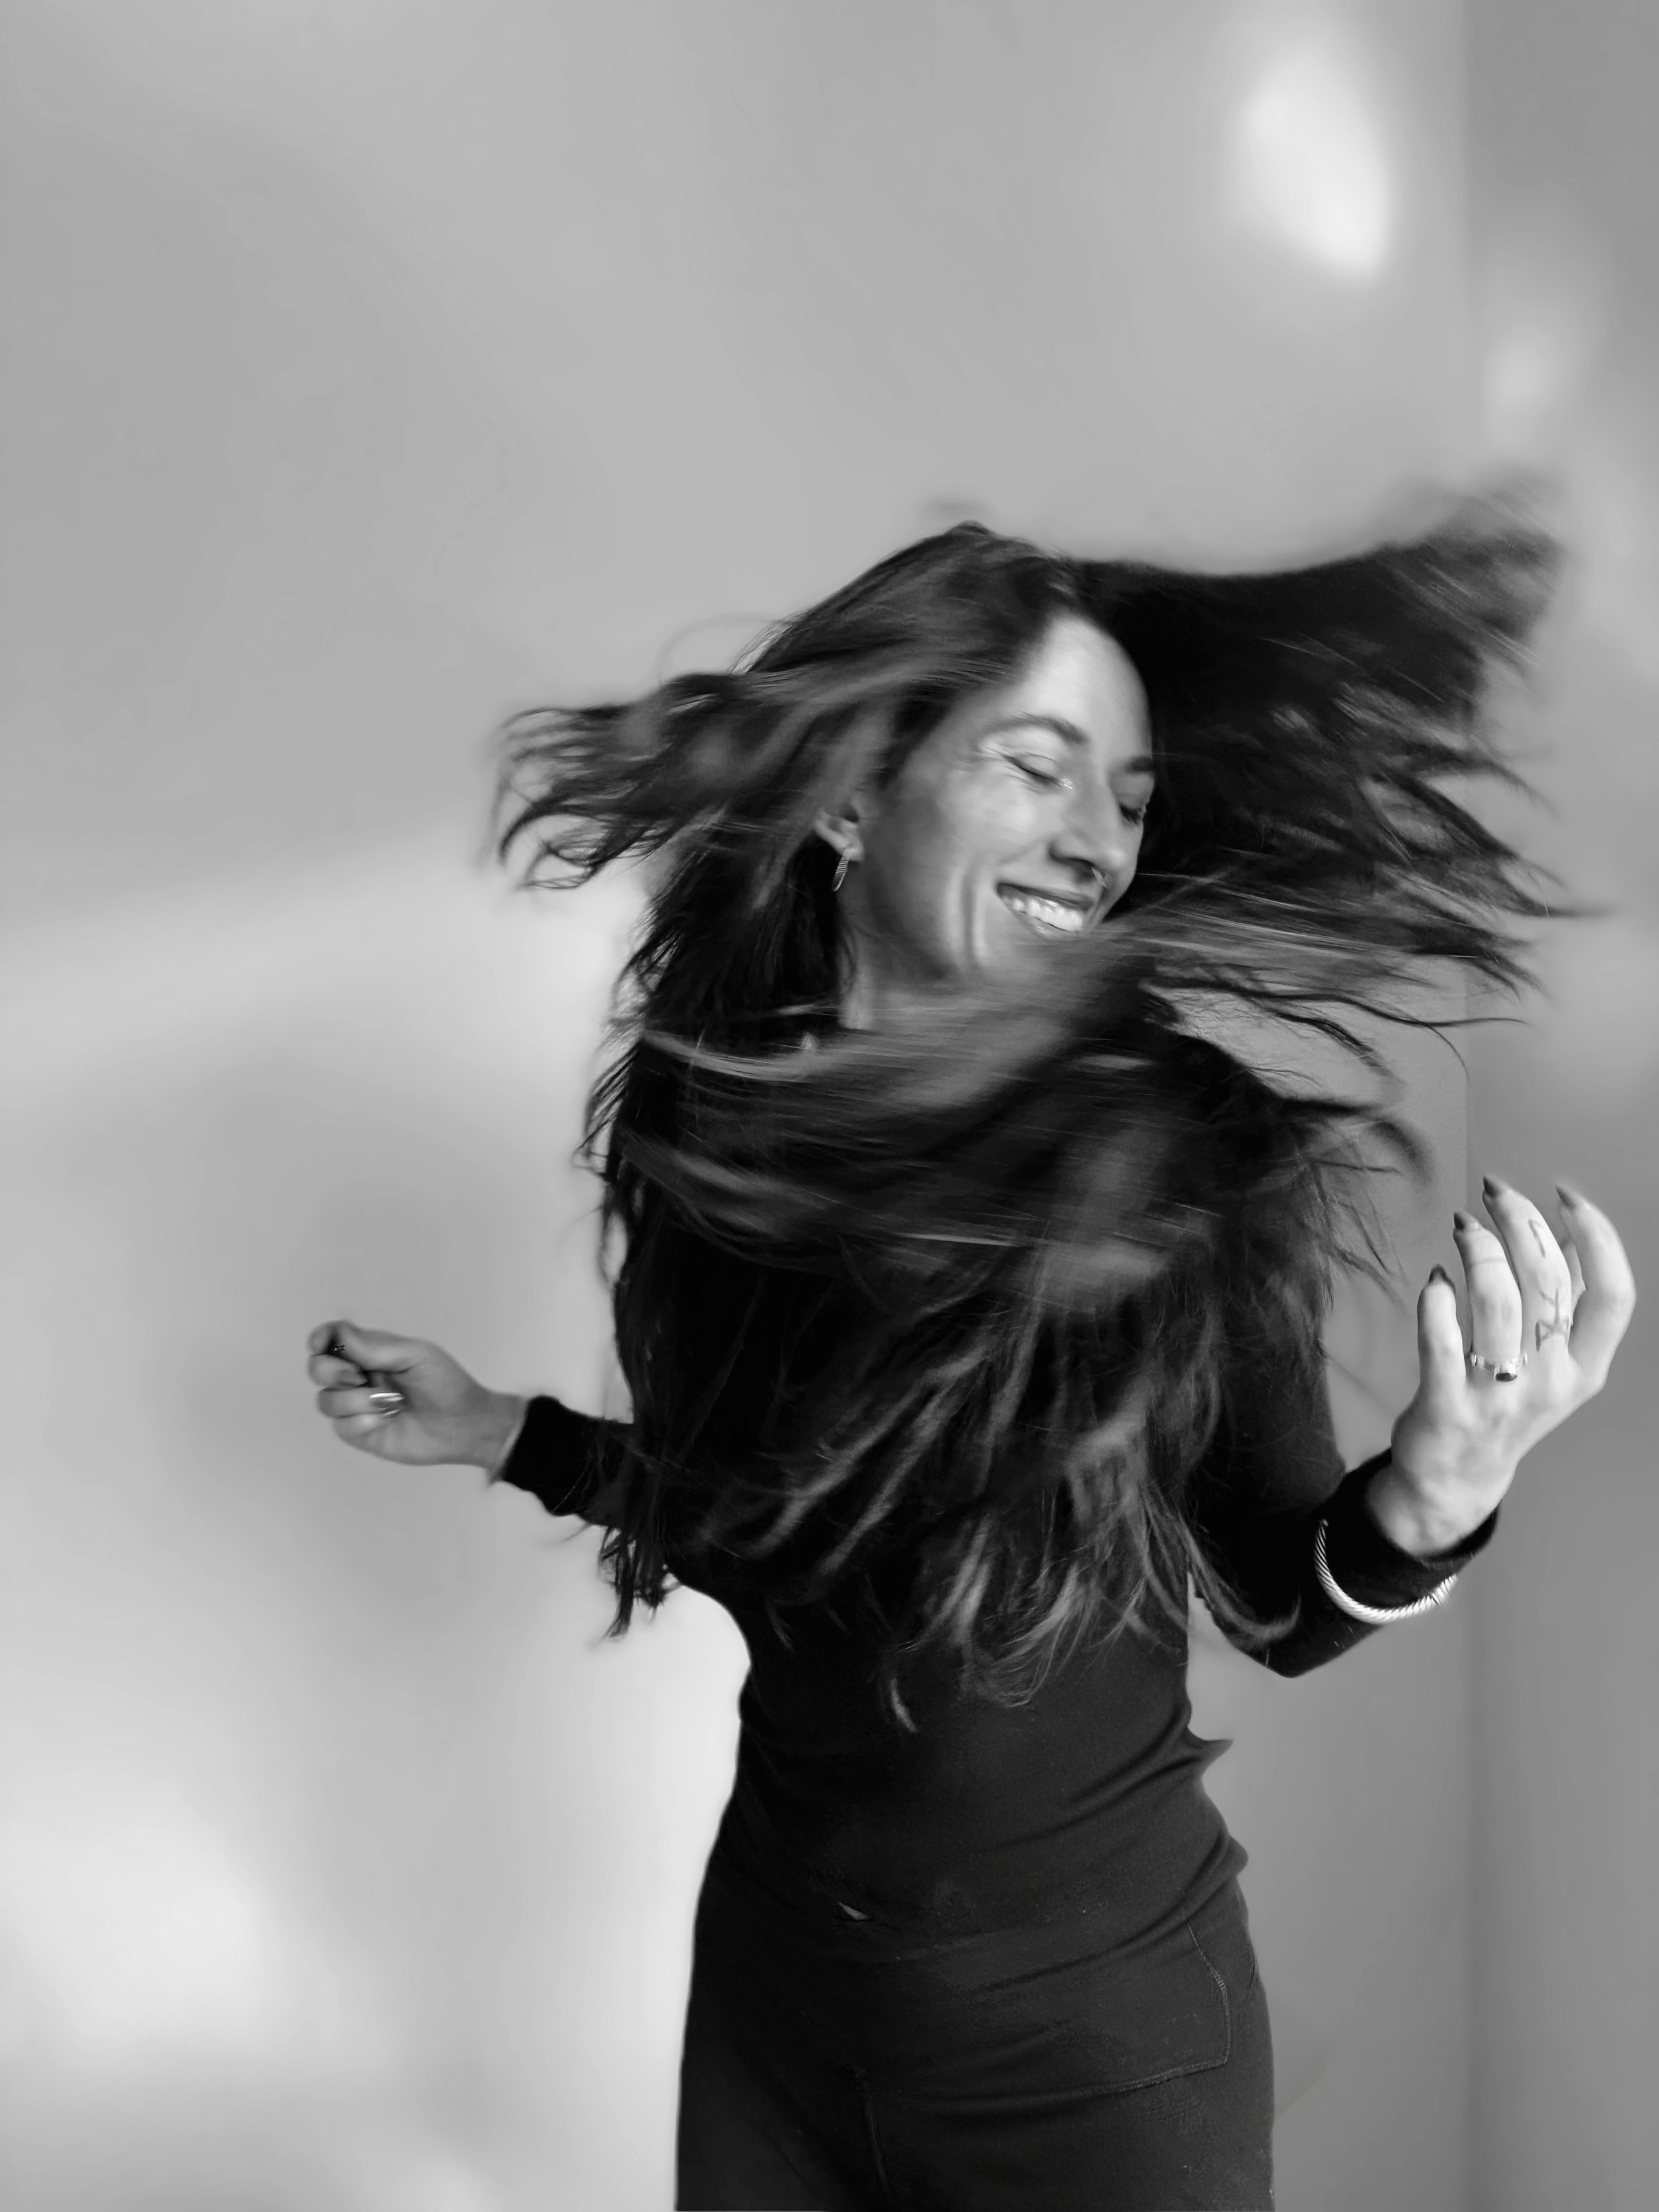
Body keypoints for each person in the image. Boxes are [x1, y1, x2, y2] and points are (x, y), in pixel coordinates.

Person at [307, 511, 1633, 2211]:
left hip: (1090, 2053)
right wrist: (508, 1433)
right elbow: (782, 1527)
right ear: (853, 796)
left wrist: (1435, 1493)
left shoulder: (1179, 1158)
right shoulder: (706, 1113)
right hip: (781, 2002)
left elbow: (1277, 1598)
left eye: (1130, 798)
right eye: (1038, 767)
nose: (1095, 841)